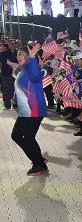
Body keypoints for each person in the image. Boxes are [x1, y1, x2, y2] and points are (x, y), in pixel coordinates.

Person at [11, 42, 49, 175]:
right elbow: (21, 88)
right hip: (25, 110)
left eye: (21, 54)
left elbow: (36, 76)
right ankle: (38, 159)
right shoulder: (22, 71)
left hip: (34, 109)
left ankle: (39, 164)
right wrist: (15, 99)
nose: (18, 57)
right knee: (16, 135)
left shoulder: (32, 69)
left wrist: (33, 59)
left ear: (28, 56)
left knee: (28, 137)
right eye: (17, 54)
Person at [0, 41, 16, 109]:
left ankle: (15, 102)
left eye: (14, 44)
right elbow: (3, 62)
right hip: (7, 74)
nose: (12, 45)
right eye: (11, 44)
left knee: (15, 89)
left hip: (16, 74)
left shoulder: (17, 53)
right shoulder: (4, 54)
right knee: (6, 89)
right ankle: (7, 103)